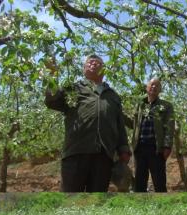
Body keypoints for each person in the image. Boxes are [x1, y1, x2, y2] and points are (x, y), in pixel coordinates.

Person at [44, 54, 131, 192]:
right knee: (70, 198)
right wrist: (52, 76)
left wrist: (124, 149)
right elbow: (51, 101)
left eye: (97, 63)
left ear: (104, 70)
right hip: (76, 152)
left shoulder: (113, 95)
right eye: (89, 63)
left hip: (104, 155)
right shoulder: (73, 89)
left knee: (96, 200)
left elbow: (119, 124)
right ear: (84, 69)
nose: (93, 64)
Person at [126, 78, 176, 192]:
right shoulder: (140, 105)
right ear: (146, 87)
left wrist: (167, 146)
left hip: (156, 149)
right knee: (139, 183)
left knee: (159, 183)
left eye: (157, 86)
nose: (154, 87)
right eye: (152, 84)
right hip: (140, 148)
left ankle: (162, 208)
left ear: (160, 90)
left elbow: (169, 126)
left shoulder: (166, 106)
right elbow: (133, 124)